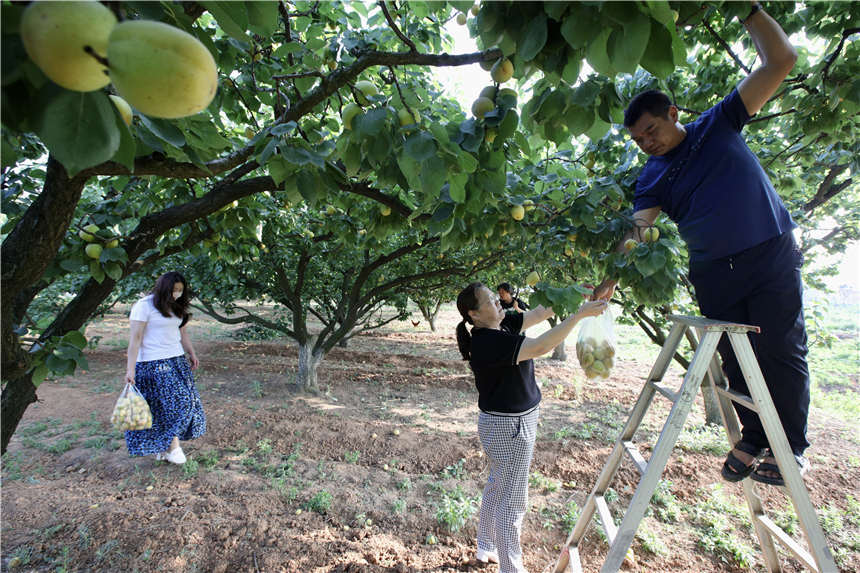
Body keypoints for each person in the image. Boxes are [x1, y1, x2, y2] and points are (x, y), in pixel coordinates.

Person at [593, 2, 808, 486]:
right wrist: (607, 280)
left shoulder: (719, 122)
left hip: (769, 251)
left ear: (673, 113)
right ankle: (753, 437)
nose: (647, 142)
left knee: (782, 350)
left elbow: (781, 61)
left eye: (652, 130)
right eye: (639, 139)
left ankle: (791, 446)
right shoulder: (652, 175)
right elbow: (638, 229)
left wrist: (748, 10)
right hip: (713, 271)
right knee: (734, 357)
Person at [456, 282, 607, 572]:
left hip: (505, 424)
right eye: (489, 300)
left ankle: (486, 547)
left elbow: (539, 312)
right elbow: (541, 345)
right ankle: (511, 568)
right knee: (512, 501)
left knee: (498, 487)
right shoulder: (488, 341)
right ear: (474, 314)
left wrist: (574, 293)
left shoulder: (502, 325)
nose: (498, 301)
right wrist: (578, 317)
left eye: (494, 296)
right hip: (509, 428)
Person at [124, 271, 206, 464]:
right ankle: (173, 447)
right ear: (163, 288)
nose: (177, 293)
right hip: (153, 362)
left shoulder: (176, 306)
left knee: (185, 405)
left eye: (180, 290)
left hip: (176, 360)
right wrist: (130, 369)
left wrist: (191, 353)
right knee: (177, 404)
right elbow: (135, 339)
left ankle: (165, 447)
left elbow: (182, 333)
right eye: (174, 290)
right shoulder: (144, 306)